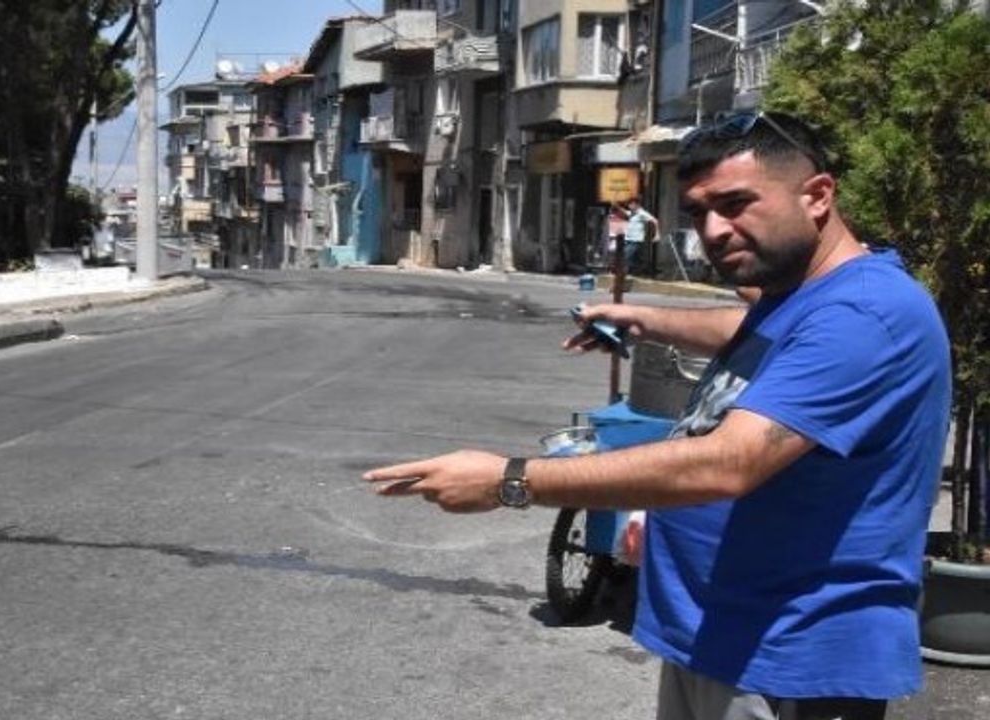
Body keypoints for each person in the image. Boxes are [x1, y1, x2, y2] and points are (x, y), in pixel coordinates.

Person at [365, 111, 952, 720]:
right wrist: (646, 321)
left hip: (791, 661)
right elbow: (765, 335)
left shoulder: (864, 314)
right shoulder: (805, 294)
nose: (714, 231)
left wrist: (509, 480)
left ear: (817, 196)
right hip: (724, 636)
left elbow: (730, 463)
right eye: (698, 212)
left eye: (736, 204)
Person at [621, 197, 659, 273]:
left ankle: (625, 272)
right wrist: (616, 206)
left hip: (636, 240)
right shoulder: (632, 213)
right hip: (628, 239)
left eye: (631, 204)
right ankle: (639, 269)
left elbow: (655, 220)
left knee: (626, 255)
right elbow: (625, 212)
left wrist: (657, 234)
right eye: (629, 205)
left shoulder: (642, 213)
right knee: (634, 258)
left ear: (637, 205)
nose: (630, 206)